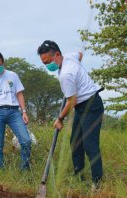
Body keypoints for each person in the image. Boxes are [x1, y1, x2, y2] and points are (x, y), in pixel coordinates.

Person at [37, 40, 104, 186]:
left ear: (57, 54)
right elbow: (80, 55)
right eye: (44, 63)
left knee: (89, 145)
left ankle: (97, 182)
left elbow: (71, 101)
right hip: (81, 107)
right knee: (75, 142)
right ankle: (78, 177)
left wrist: (59, 118)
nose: (48, 66)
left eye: (49, 61)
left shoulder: (66, 74)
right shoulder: (70, 57)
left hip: (91, 105)